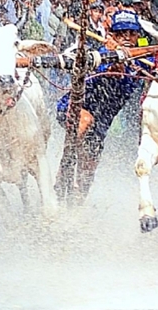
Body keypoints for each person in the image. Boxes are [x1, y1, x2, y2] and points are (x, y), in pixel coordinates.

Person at [55, 10, 151, 199]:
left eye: (131, 34)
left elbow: (138, 76)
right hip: (73, 109)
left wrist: (124, 61)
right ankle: (62, 171)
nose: (127, 38)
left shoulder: (143, 62)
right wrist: (112, 56)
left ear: (138, 36)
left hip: (101, 126)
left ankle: (75, 210)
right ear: (112, 35)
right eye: (121, 33)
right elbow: (99, 68)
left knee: (88, 171)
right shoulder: (99, 53)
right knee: (85, 120)